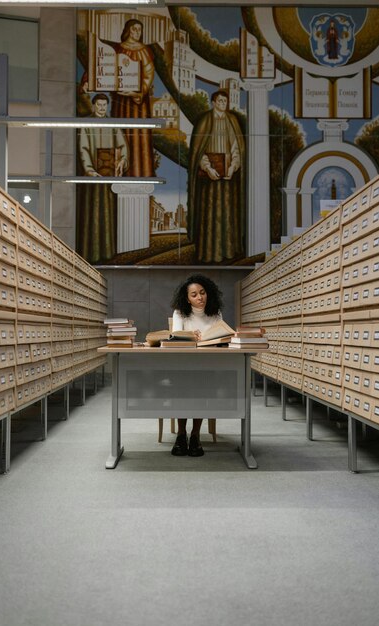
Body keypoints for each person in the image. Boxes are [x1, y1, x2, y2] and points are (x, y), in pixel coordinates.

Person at [187, 89, 246, 263]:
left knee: (227, 215)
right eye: (219, 101)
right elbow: (199, 150)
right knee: (209, 217)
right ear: (213, 102)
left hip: (227, 178)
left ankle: (228, 252)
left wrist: (233, 167)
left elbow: (236, 147)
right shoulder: (205, 121)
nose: (222, 104)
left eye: (224, 102)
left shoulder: (232, 121)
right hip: (208, 179)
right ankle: (208, 253)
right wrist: (207, 168)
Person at [170, 274, 223, 457]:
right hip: (183, 364)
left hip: (207, 364)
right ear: (187, 298)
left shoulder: (215, 313)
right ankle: (181, 434)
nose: (200, 297)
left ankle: (195, 435)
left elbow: (220, 336)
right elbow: (176, 335)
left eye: (202, 293)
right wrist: (192, 335)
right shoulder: (180, 313)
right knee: (183, 390)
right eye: (194, 295)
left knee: (202, 387)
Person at [76, 93, 129, 262]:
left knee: (108, 214)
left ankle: (108, 253)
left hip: (109, 180)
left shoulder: (113, 124)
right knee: (91, 214)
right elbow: (83, 148)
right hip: (92, 180)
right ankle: (90, 254)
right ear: (93, 106)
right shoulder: (86, 124)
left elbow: (123, 146)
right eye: (98, 105)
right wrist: (89, 170)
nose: (101, 108)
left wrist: (122, 161)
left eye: (104, 105)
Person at [110, 19, 155, 177]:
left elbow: (149, 75)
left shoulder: (145, 51)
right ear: (128, 30)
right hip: (121, 101)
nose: (137, 32)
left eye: (139, 30)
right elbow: (108, 68)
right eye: (134, 29)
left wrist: (138, 92)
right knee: (120, 131)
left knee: (138, 135)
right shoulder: (117, 49)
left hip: (138, 103)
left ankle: (139, 171)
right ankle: (120, 168)